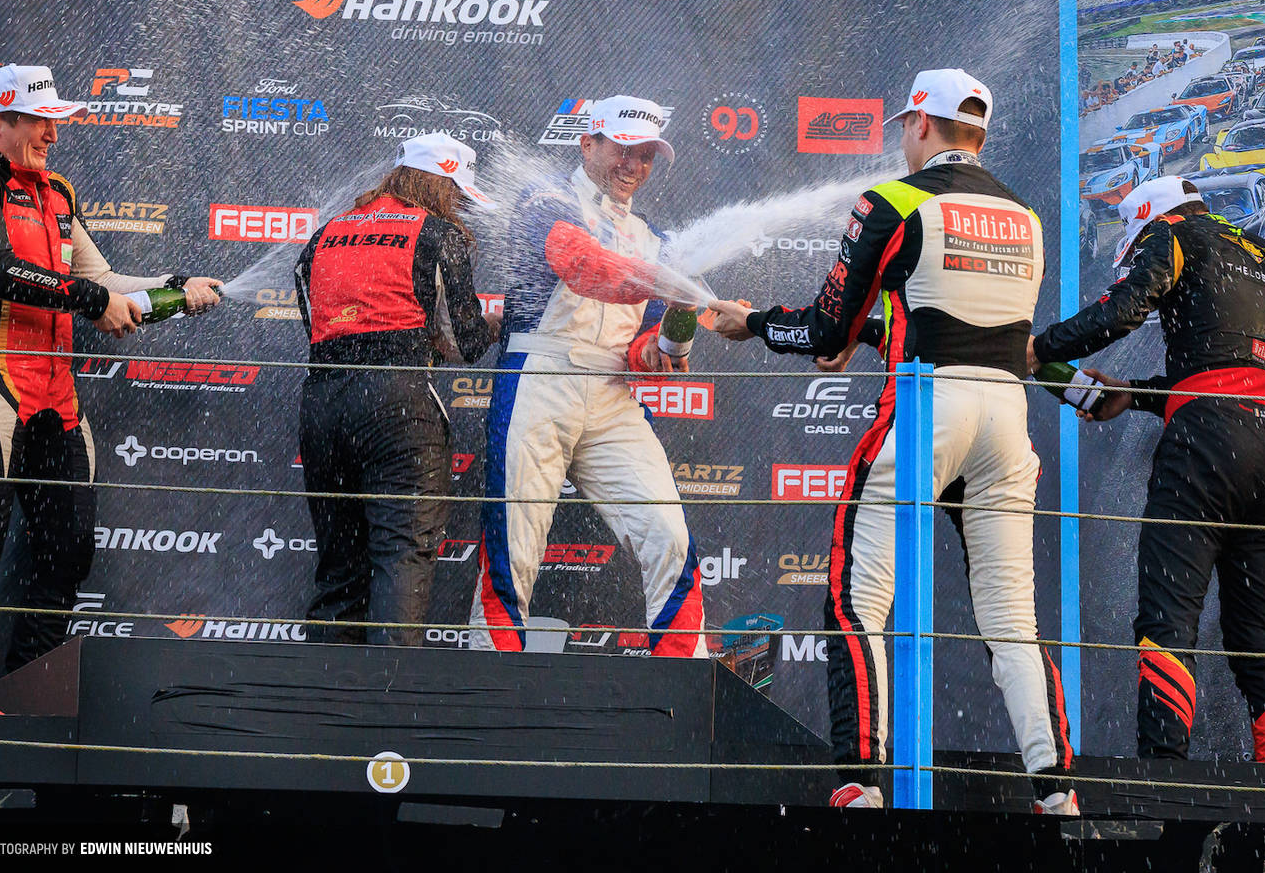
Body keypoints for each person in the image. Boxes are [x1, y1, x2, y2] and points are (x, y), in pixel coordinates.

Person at [710, 69, 1076, 813]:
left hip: (925, 412)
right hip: (1007, 421)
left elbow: (824, 331)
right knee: (1013, 622)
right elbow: (961, 324)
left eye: (904, 127)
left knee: (856, 603)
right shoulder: (1024, 214)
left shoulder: (892, 200)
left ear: (918, 124)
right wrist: (871, 332)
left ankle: (861, 786)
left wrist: (752, 323)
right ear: (977, 134)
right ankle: (1058, 793)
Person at [0, 63, 222, 701]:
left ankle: (22, 704)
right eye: (40, 121)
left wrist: (175, 289)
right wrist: (93, 301)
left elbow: (104, 280)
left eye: (55, 121)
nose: (53, 135)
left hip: (56, 395)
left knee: (67, 551)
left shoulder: (59, 192)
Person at [1029, 175, 1265, 764]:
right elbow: (1235, 372)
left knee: (1167, 622)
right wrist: (1136, 394)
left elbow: (1123, 310)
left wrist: (1042, 348)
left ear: (1154, 216)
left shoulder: (1173, 233)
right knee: (1258, 642)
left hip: (1202, 451)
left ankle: (1163, 783)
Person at [468, 95, 706, 657]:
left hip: (612, 395)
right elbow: (582, 266)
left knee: (668, 534)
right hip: (540, 375)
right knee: (515, 546)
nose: (634, 166)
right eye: (624, 150)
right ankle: (489, 683)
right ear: (588, 143)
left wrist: (667, 345)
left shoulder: (654, 238)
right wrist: (668, 283)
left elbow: (646, 346)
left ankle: (684, 679)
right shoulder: (545, 198)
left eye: (646, 156)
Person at [294, 134, 497, 645]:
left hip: (323, 403)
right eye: (457, 193)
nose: (459, 205)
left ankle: (321, 690)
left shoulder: (326, 233)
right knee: (401, 557)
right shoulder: (437, 233)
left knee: (339, 565)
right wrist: (493, 324)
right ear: (443, 184)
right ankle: (388, 693)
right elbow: (466, 343)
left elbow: (318, 327)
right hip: (398, 404)